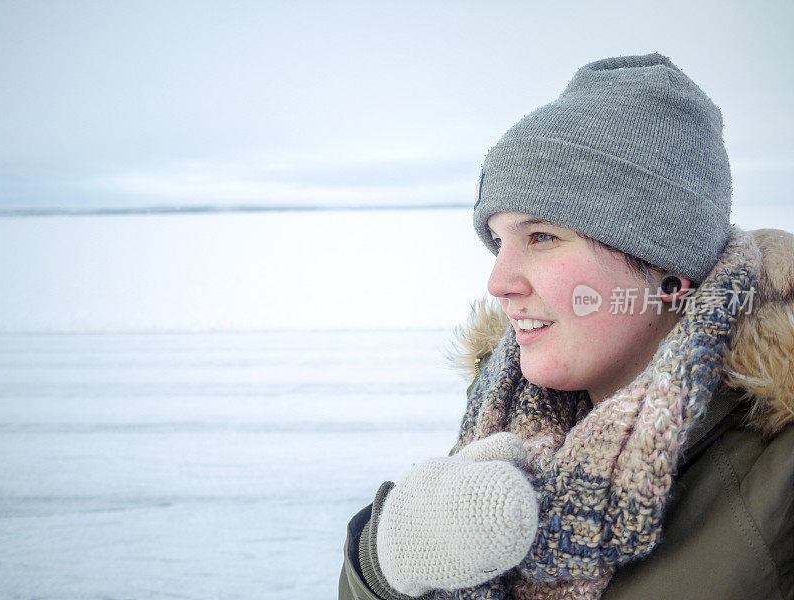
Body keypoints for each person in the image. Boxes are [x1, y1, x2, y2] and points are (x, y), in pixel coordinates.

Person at [339, 53, 794, 600]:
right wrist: (382, 564)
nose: (498, 280)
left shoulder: (777, 486)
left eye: (541, 238)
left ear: (668, 265)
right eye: (498, 241)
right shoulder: (502, 421)